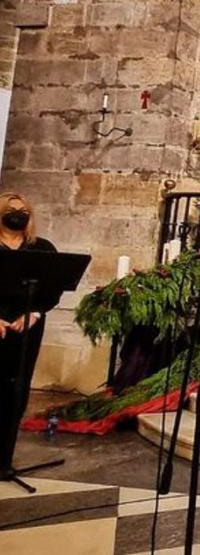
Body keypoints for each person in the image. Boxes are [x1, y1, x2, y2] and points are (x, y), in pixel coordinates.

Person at [0, 193, 62, 474]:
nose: (18, 214)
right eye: (12, 210)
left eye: (24, 210)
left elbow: (53, 288)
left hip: (27, 327)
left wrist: (34, 313)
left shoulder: (42, 248)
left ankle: (3, 459)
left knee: (17, 390)